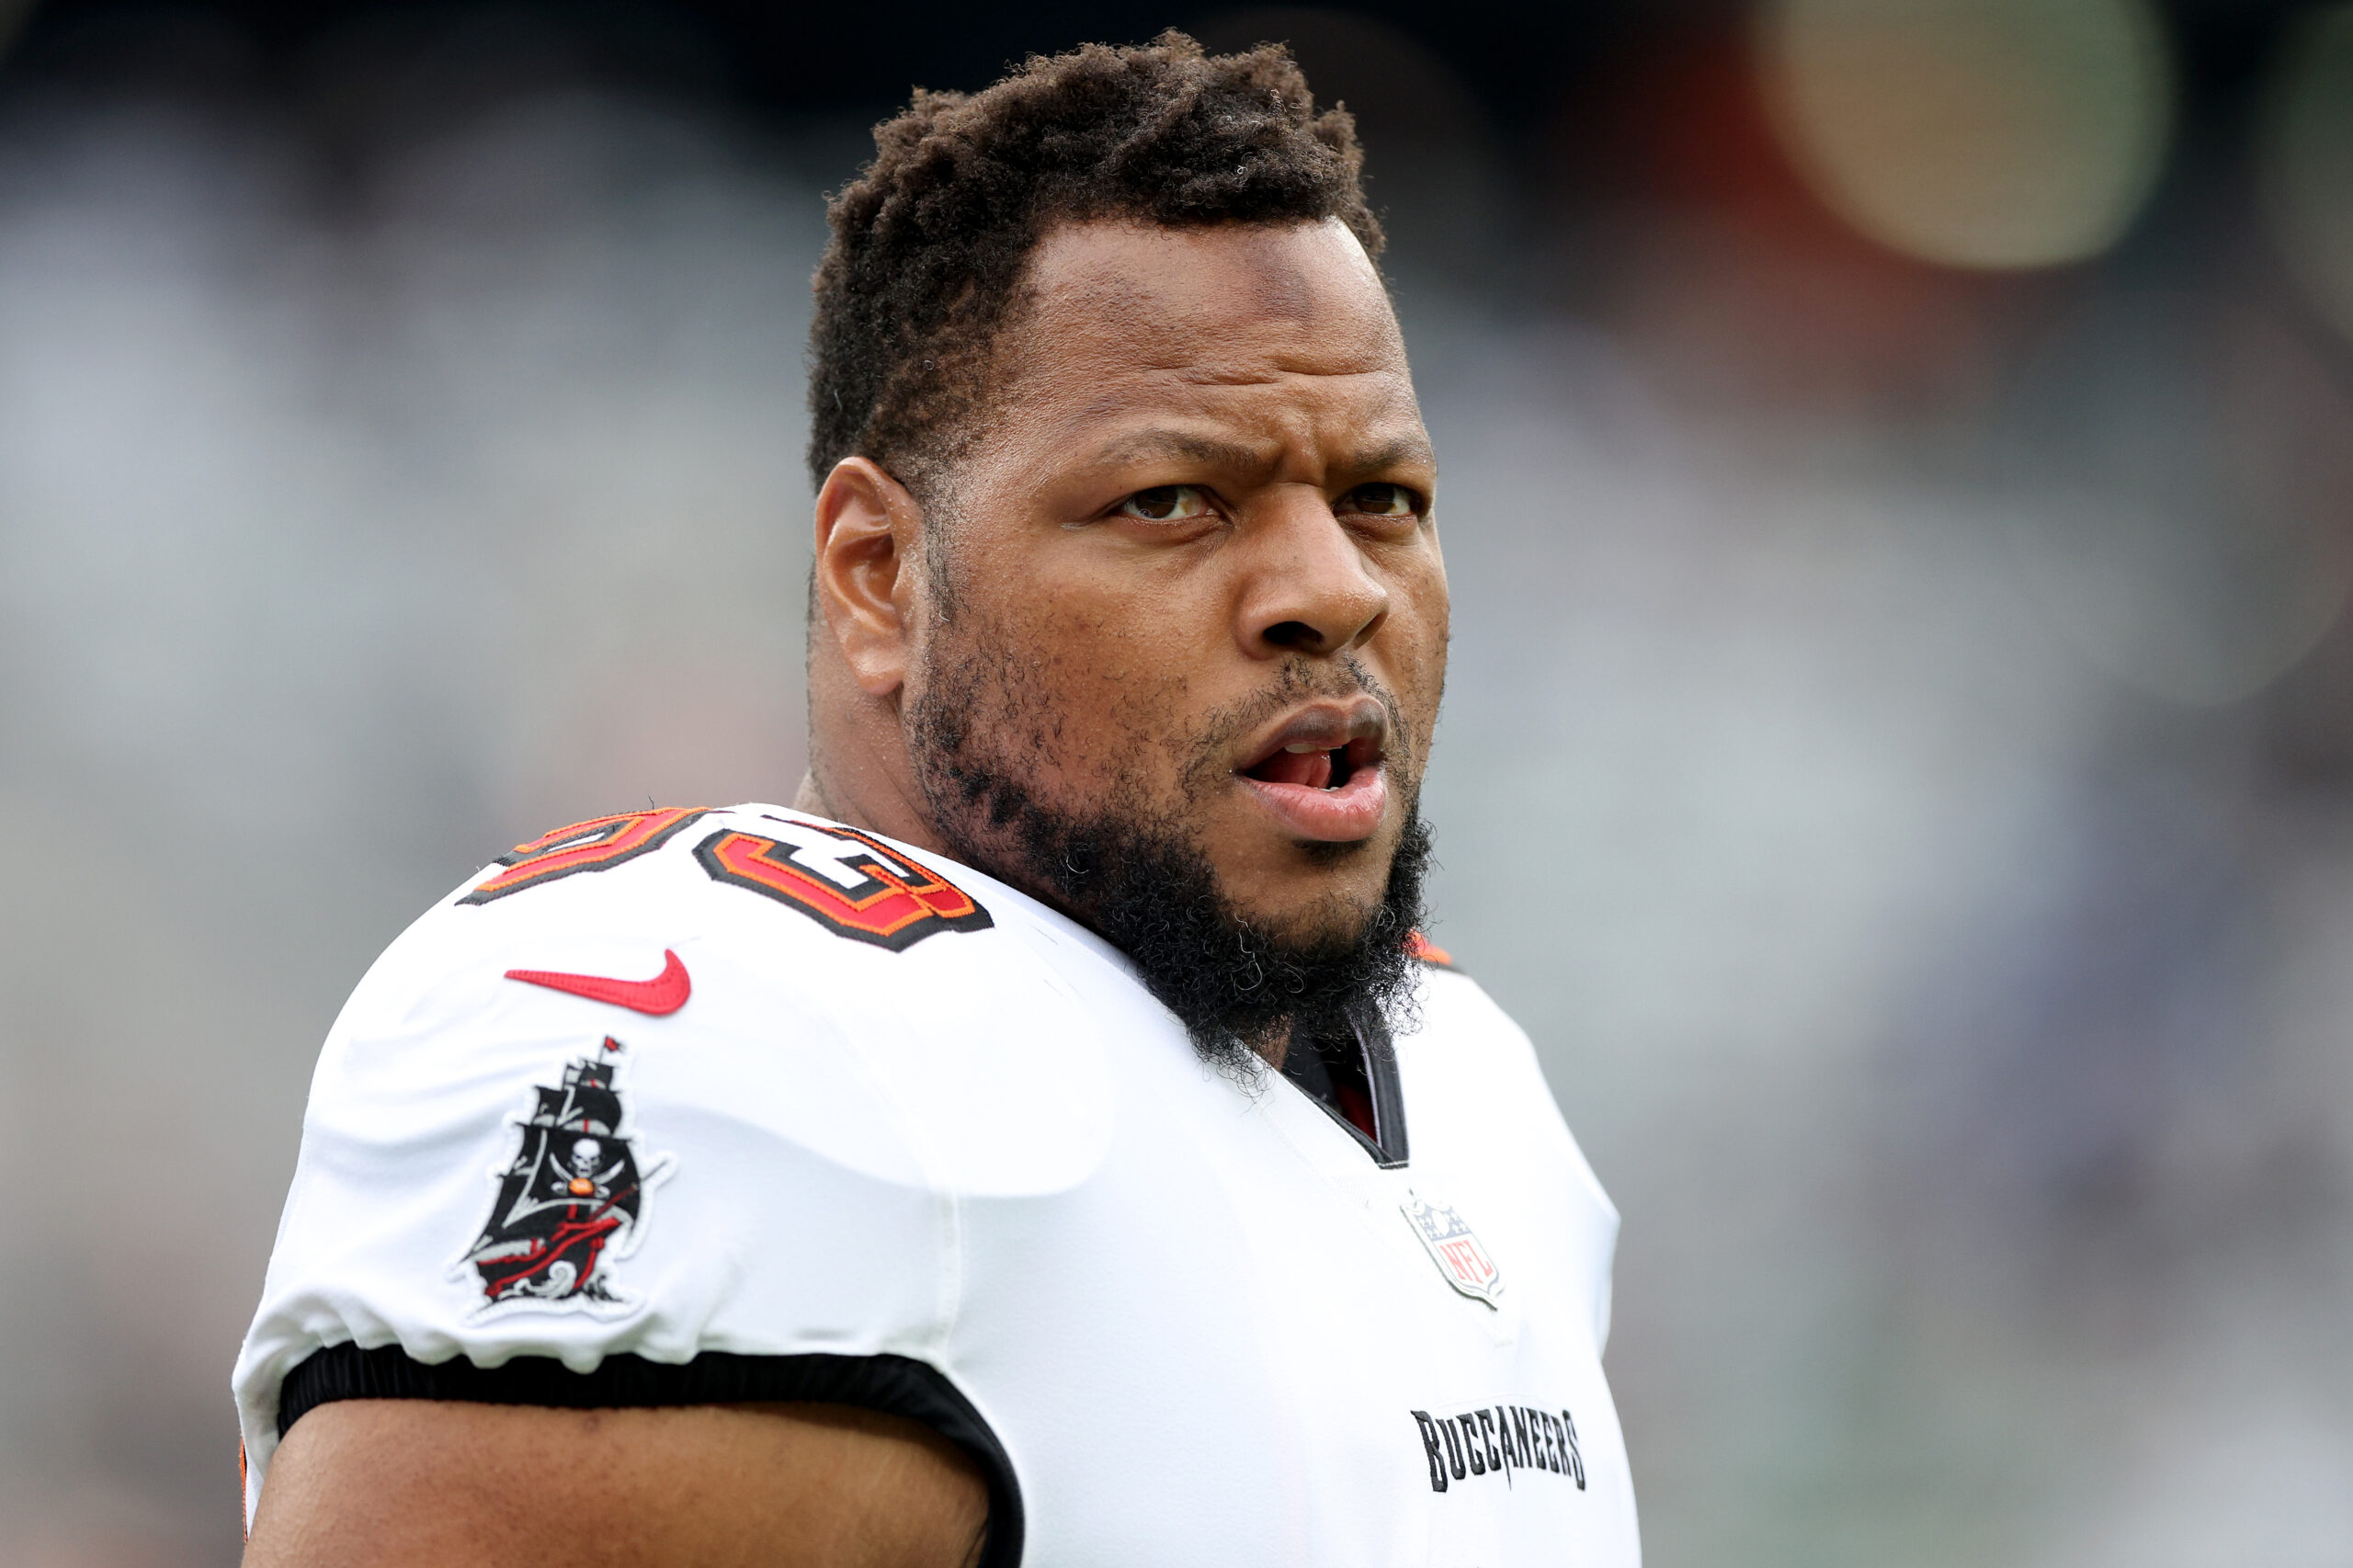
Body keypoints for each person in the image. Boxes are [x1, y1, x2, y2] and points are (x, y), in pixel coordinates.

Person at [233, 32, 1639, 1568]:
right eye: (1171, 500)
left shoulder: (1480, 1094)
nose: (1331, 588)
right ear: (881, 577)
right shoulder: (743, 1037)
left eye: (1383, 498)